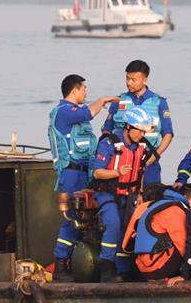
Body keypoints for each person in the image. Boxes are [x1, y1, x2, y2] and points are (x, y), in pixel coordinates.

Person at [48, 74, 118, 281]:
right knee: (72, 219)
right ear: (75, 90)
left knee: (87, 218)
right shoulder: (63, 112)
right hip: (71, 173)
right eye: (84, 88)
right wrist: (103, 100)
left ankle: (84, 264)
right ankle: (60, 265)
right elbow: (90, 112)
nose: (86, 92)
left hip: (85, 173)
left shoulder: (76, 114)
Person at [92, 106, 154, 282]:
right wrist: (117, 172)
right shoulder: (110, 143)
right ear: (128, 127)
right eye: (140, 131)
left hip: (130, 195)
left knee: (129, 228)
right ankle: (107, 267)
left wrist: (140, 193)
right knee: (113, 224)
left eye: (144, 131)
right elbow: (97, 173)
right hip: (108, 194)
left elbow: (140, 171)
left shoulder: (140, 146)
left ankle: (125, 270)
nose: (142, 135)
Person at [103, 60, 173, 186]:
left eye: (134, 79)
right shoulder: (118, 101)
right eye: (127, 79)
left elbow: (168, 134)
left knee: (150, 197)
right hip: (122, 160)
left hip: (149, 160)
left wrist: (155, 156)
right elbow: (106, 130)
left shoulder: (159, 103)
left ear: (145, 79)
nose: (129, 83)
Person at [123, 185, 191, 281]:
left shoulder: (147, 206)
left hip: (141, 266)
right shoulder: (176, 210)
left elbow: (126, 245)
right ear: (185, 197)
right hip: (158, 268)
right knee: (188, 244)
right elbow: (183, 246)